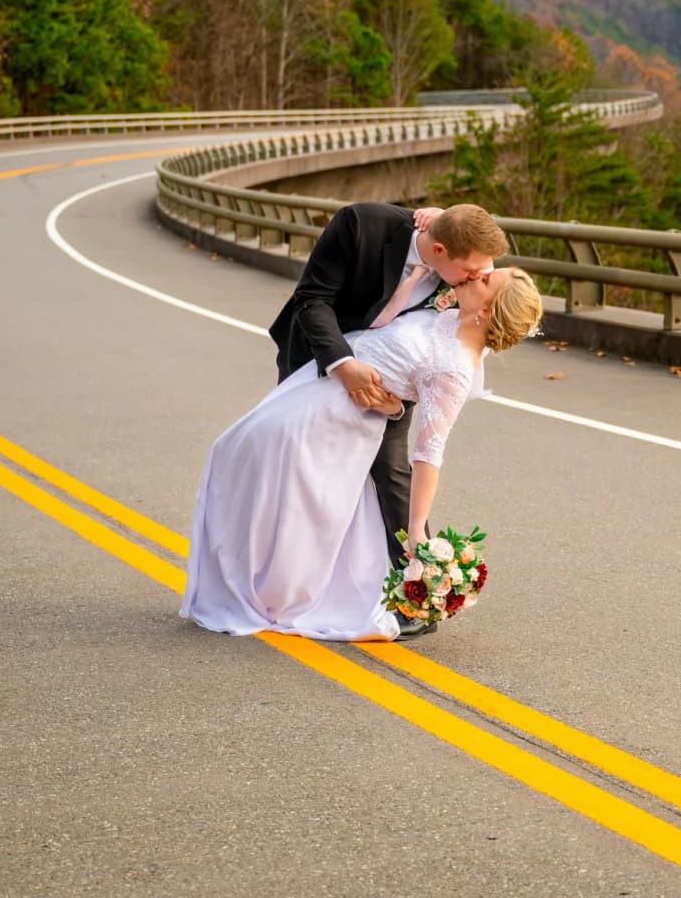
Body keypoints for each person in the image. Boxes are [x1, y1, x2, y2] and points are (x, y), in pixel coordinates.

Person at [182, 268, 543, 642]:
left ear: (486, 312)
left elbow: (429, 453)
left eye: (485, 281)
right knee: (236, 455)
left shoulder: (454, 370)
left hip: (331, 413)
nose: (478, 274)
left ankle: (258, 594)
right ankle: (237, 584)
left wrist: (417, 528)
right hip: (317, 383)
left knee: (251, 470)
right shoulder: (450, 312)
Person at [267, 202, 510, 566]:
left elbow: (482, 319)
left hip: (397, 373)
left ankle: (418, 584)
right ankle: (293, 566)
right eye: (472, 270)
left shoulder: (468, 267)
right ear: (440, 250)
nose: (478, 276)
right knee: (299, 465)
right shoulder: (361, 224)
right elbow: (312, 300)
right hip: (320, 360)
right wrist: (344, 366)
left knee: (390, 470)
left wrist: (396, 402)